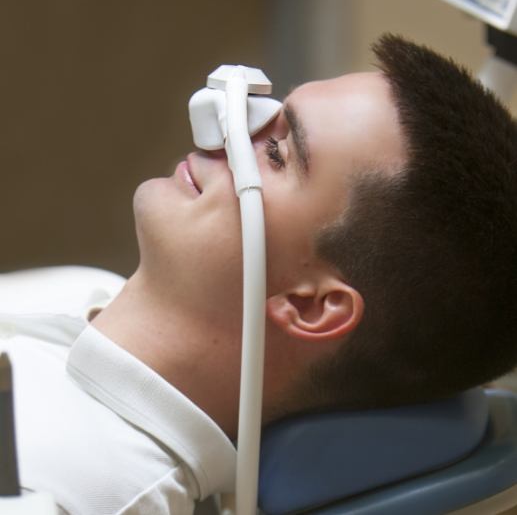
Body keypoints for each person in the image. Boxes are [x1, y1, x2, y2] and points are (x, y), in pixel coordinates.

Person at [2, 33, 517, 514]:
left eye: (276, 152)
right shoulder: (79, 290)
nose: (227, 129)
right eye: (262, 113)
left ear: (311, 306)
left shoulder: (71, 491)